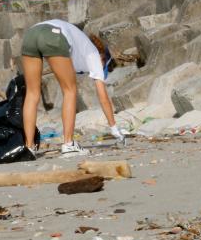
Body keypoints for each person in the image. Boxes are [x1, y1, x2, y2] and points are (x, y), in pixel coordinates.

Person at [20, 20, 124, 157]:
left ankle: (29, 148)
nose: (103, 67)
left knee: (32, 93)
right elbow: (103, 97)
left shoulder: (81, 44)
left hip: (31, 33)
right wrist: (114, 128)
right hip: (53, 35)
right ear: (102, 57)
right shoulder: (93, 54)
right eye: (105, 63)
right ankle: (69, 144)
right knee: (70, 91)